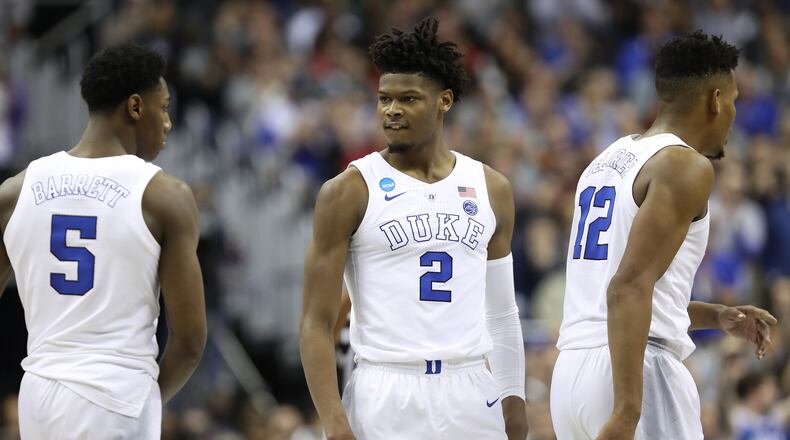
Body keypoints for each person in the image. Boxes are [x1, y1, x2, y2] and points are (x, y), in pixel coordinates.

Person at [300, 17, 527, 440]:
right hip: (386, 387)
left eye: (408, 99)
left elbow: (502, 313)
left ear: (444, 101)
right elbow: (315, 322)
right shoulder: (348, 190)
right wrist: (334, 423)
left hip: (470, 387)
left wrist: (514, 401)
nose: (392, 110)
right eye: (384, 99)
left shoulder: (491, 187)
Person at [550, 31, 778, 439]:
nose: (734, 115)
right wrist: (627, 410)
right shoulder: (685, 165)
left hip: (571, 376)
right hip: (634, 371)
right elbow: (628, 287)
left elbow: (619, 293)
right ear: (715, 100)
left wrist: (715, 316)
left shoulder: (608, 159)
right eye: (734, 101)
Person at [0, 44, 207, 438]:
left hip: (38, 398)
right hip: (117, 395)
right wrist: (145, 400)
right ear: (135, 107)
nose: (168, 123)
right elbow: (191, 343)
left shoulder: (15, 191)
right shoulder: (164, 196)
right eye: (164, 108)